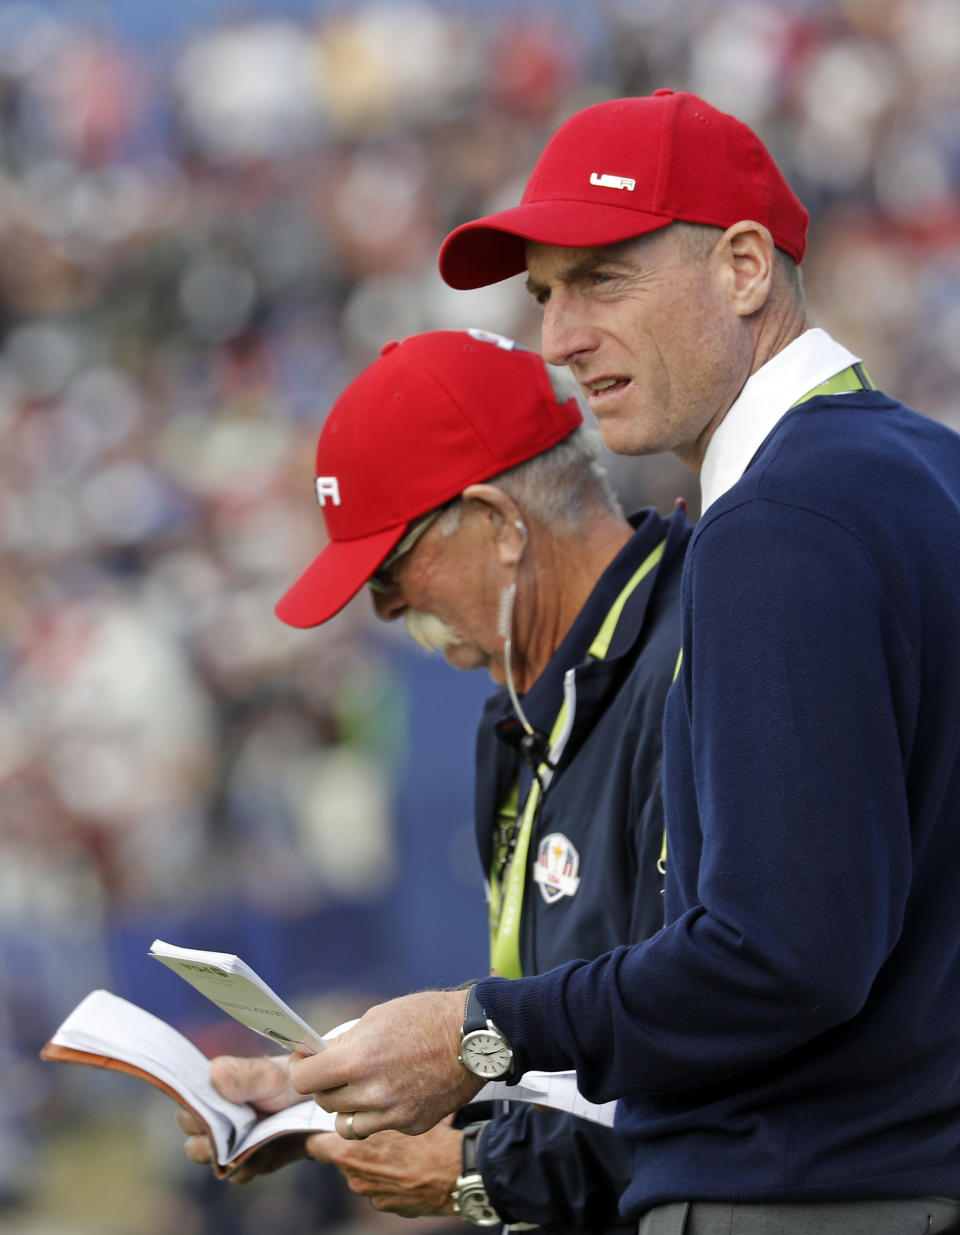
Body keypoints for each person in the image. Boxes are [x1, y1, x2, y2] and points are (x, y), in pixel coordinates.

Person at [284, 91, 960, 1235]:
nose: (559, 337)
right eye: (546, 294)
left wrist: (474, 1030)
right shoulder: (914, 468)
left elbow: (780, 956)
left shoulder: (781, 519)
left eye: (603, 278)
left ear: (745, 266)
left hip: (812, 1189)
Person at [177, 327, 689, 1234]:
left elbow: (716, 1039)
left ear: (497, 525)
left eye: (390, 570)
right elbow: (571, 1060)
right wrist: (326, 1094)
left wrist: (480, 1171)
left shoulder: (701, 655)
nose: (384, 608)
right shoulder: (520, 713)